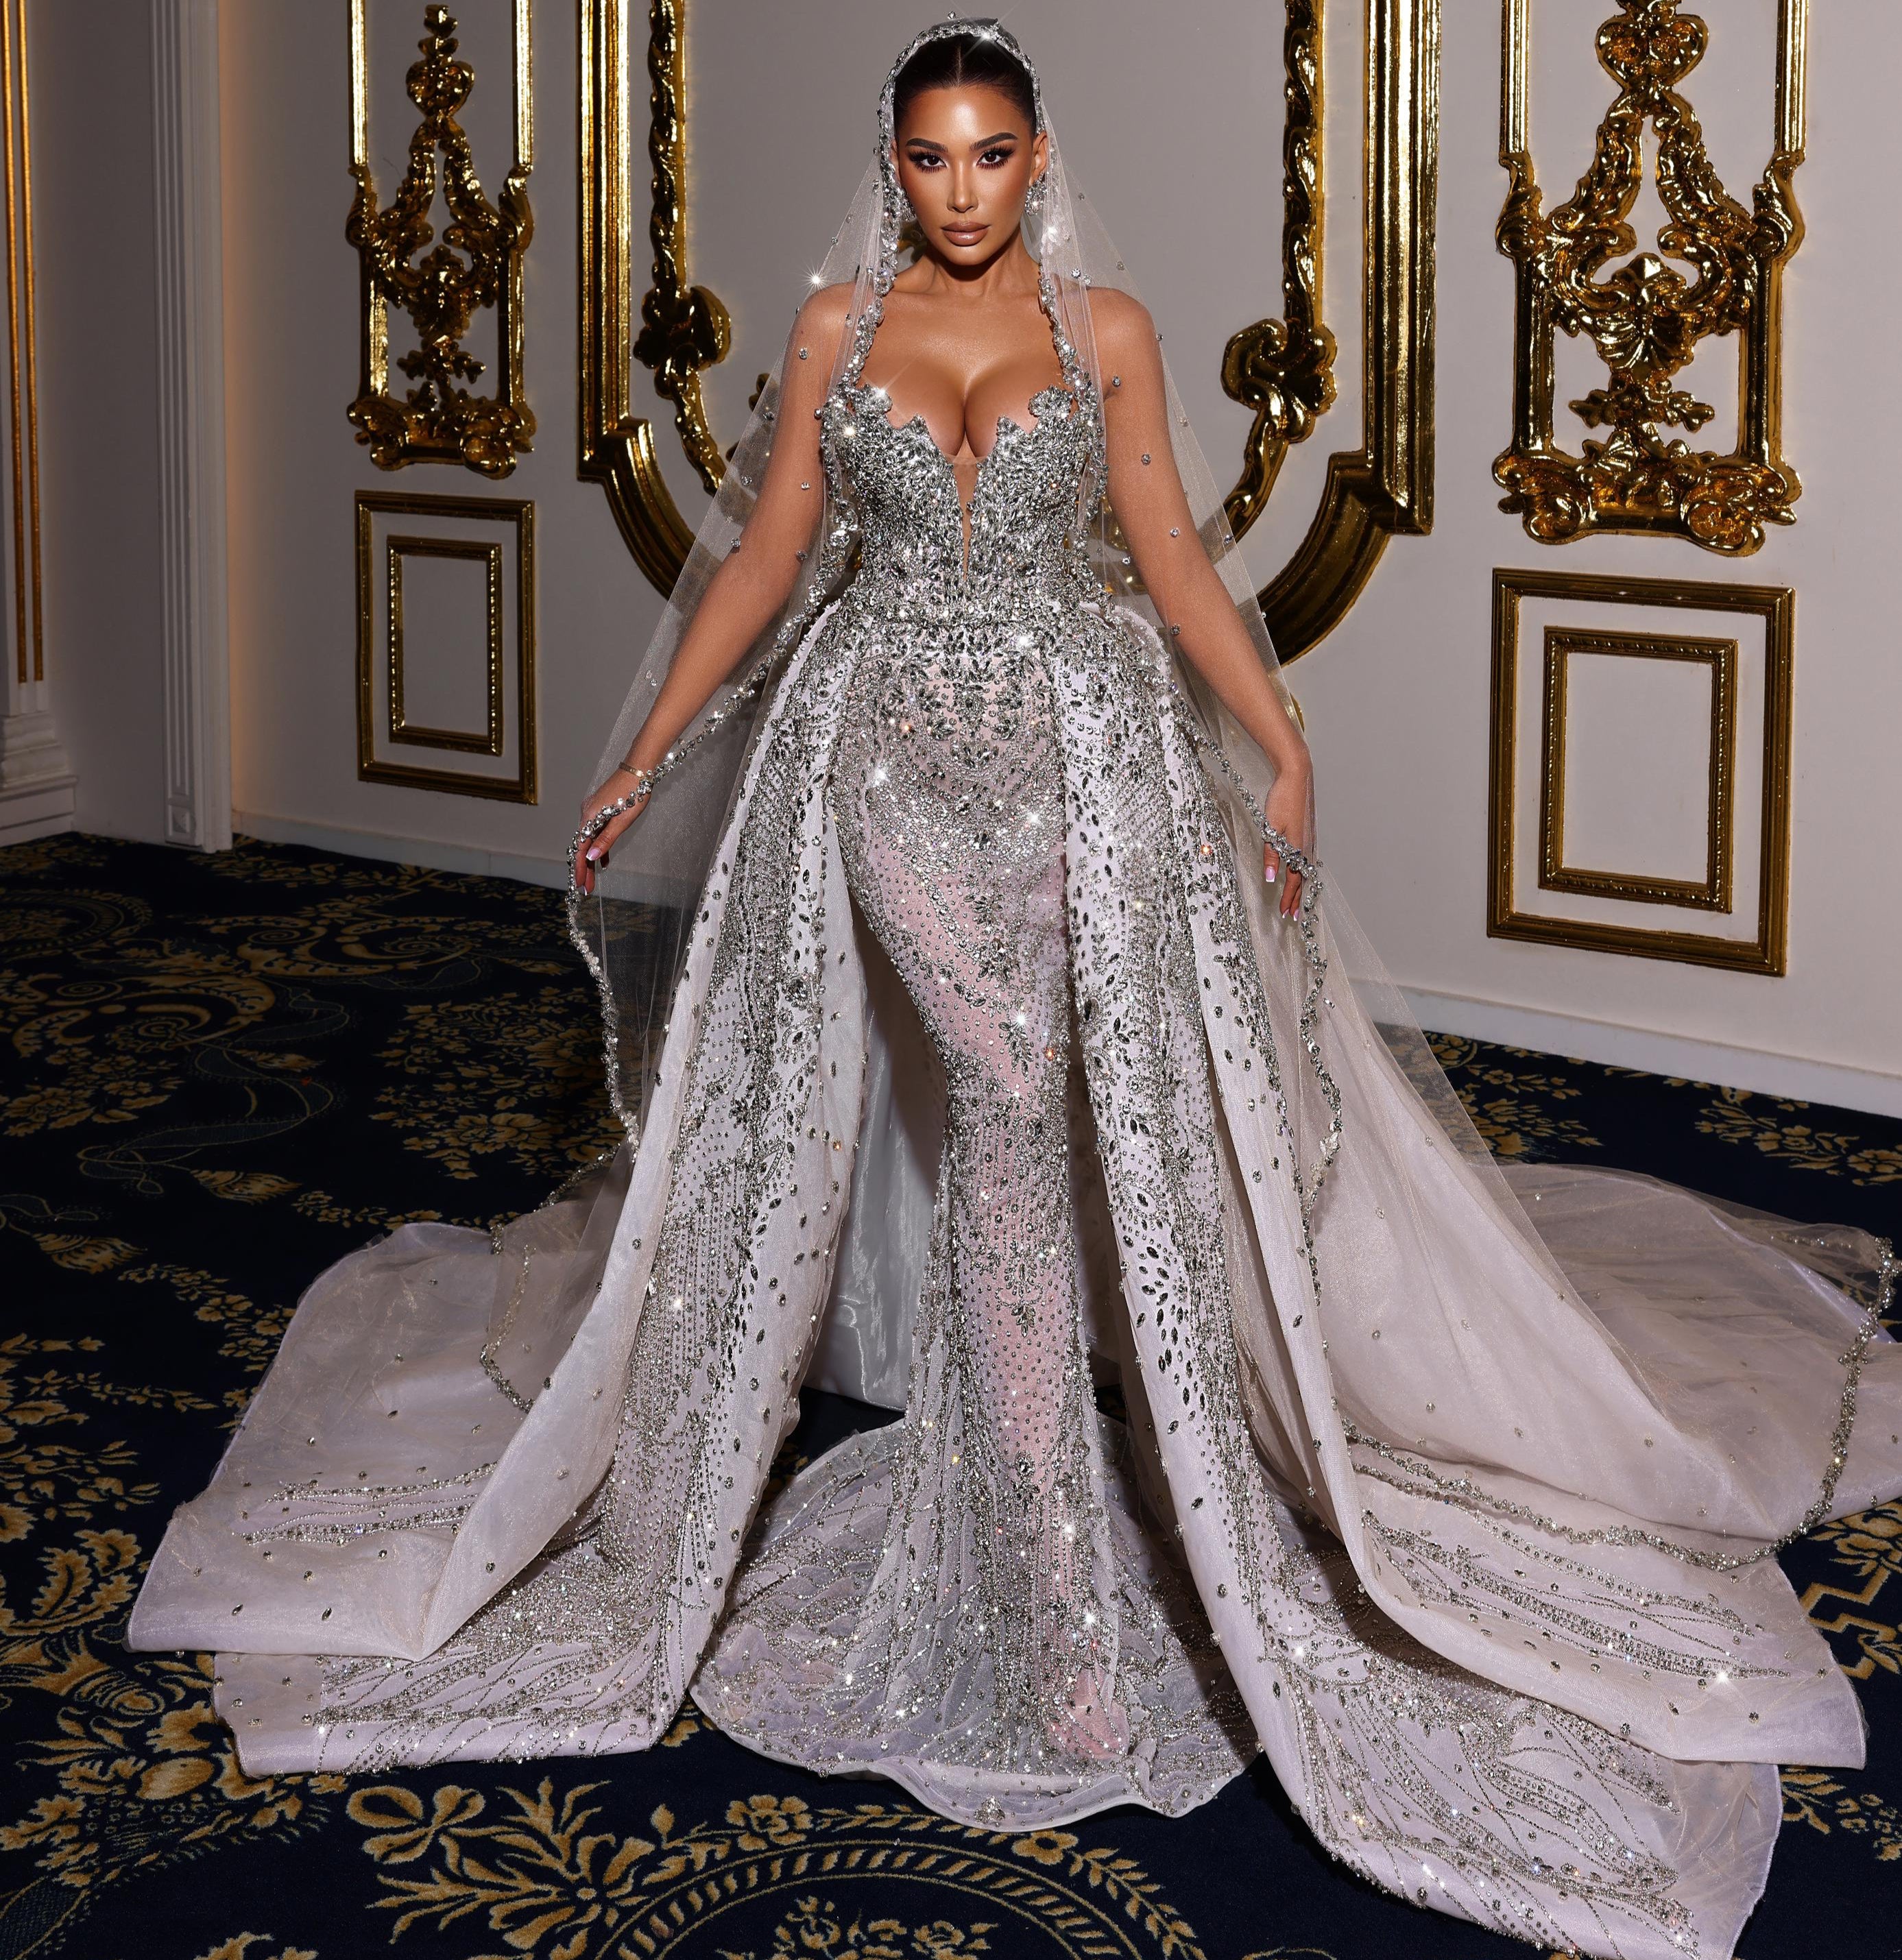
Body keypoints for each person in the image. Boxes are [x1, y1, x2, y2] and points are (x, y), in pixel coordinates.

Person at [132, 22, 1899, 1958]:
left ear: (1034, 157)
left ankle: (1020, 1523)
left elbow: (1168, 553)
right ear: (891, 165)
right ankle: (1041, 1584)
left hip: (1080, 768)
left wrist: (1279, 734)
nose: (957, 190)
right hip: (887, 764)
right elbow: (772, 558)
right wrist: (655, 741)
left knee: (1051, 1121)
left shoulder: (1110, 329)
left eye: (987, 156)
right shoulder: (828, 334)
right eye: (926, 159)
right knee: (1000, 1105)